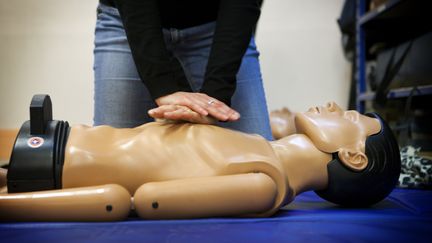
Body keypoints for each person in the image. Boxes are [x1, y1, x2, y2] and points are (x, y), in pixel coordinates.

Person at [0, 98, 401, 221]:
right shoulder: (257, 146)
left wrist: (10, 206)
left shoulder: (266, 185)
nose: (333, 105)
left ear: (353, 156)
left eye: (349, 117)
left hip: (54, 162)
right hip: (64, 140)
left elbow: (130, 201)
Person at [94, 0, 273, 140]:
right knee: (113, 161)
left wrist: (217, 92)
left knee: (260, 166)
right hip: (128, 21)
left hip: (218, 23)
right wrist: (162, 84)